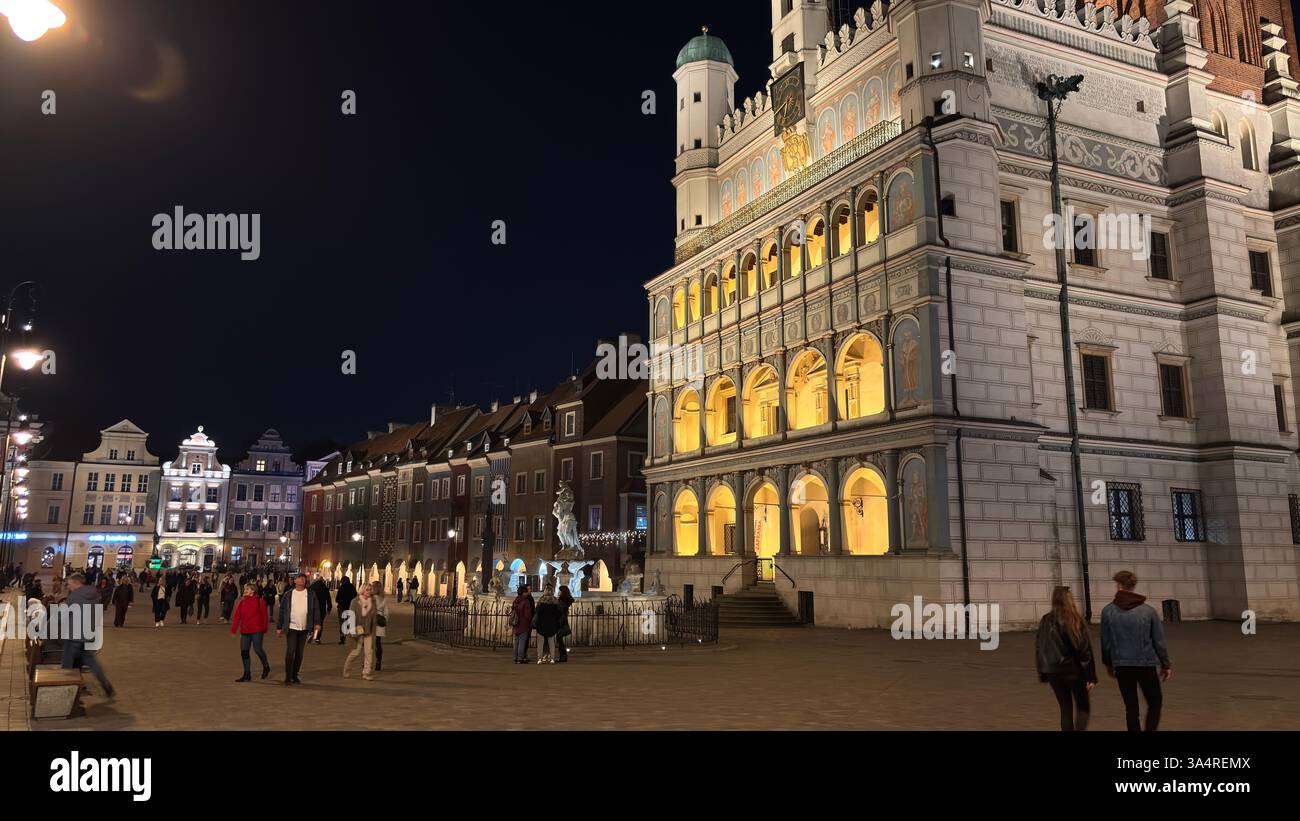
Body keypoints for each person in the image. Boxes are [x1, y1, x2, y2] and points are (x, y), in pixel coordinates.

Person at [1101, 570, 1173, 731]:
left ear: (1119, 586)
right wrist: (1165, 664)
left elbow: (1105, 642)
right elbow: (1158, 641)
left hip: (1121, 665)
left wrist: (1108, 664)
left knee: (1131, 707)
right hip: (1145, 664)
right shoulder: (1148, 611)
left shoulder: (1108, 611)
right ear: (1134, 586)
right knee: (1155, 701)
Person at [1035, 586, 1097, 731]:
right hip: (1073, 671)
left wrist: (1043, 671)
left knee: (1065, 708)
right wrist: (1090, 676)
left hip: (1054, 672)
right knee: (1083, 708)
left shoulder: (1045, 620)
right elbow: (1084, 651)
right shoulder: (1074, 619)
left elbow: (1040, 647)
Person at [61, 573, 114, 700]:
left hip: (74, 636)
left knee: (67, 665)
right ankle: (103, 683)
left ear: (76, 583)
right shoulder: (94, 594)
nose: (68, 587)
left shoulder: (75, 595)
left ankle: (66, 694)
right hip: (88, 635)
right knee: (90, 662)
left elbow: (63, 615)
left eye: (69, 584)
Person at [276, 573, 321, 685]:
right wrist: (279, 627)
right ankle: (288, 675)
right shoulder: (288, 594)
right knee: (291, 651)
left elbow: (316, 609)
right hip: (291, 627)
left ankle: (295, 675)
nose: (301, 580)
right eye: (299, 578)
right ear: (294, 581)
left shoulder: (311, 594)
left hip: (305, 627)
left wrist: (317, 623)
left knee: (300, 653)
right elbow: (282, 611)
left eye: (303, 579)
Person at [231, 583, 272, 682]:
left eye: (248, 589)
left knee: (258, 650)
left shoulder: (260, 601)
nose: (245, 590)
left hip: (257, 631)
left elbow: (264, 616)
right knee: (244, 652)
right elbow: (237, 616)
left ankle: (266, 666)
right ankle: (247, 674)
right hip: (245, 631)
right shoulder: (242, 602)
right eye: (245, 588)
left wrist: (264, 628)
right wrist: (234, 629)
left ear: (253, 591)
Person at [343, 583, 379, 681]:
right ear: (362, 590)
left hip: (369, 631)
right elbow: (351, 616)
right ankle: (347, 669)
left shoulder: (373, 601)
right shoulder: (355, 601)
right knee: (356, 652)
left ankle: (366, 673)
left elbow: (374, 617)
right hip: (357, 630)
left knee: (369, 652)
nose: (369, 591)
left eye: (370, 589)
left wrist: (374, 629)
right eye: (367, 589)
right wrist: (352, 630)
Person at [533, 584, 560, 664]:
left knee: (540, 643)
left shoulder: (541, 602)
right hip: (551, 625)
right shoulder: (555, 602)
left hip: (541, 625)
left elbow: (537, 613)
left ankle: (539, 659)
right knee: (551, 643)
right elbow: (558, 614)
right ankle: (552, 659)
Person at [510, 584, 535, 664]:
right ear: (523, 592)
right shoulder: (526, 601)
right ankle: (520, 658)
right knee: (522, 642)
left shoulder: (516, 600)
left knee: (516, 642)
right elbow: (528, 615)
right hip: (523, 624)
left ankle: (515, 657)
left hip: (516, 623)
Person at [309, 574, 333, 645]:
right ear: (322, 580)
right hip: (321, 609)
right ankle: (317, 638)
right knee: (319, 624)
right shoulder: (325, 588)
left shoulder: (312, 587)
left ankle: (311, 634)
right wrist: (329, 608)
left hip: (313, 608)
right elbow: (328, 599)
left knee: (312, 623)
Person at [371, 582, 389, 672]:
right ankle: (378, 661)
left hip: (370, 623)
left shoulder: (370, 598)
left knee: (369, 644)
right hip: (379, 623)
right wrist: (383, 620)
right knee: (378, 643)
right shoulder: (384, 599)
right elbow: (386, 614)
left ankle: (367, 662)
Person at [335, 575, 358, 644]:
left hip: (342, 608)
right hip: (350, 608)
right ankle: (350, 637)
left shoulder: (341, 587)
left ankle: (342, 637)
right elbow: (355, 597)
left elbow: (337, 599)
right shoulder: (352, 587)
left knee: (342, 623)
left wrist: (341, 602)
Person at [555, 586, 572, 662]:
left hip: (561, 622)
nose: (559, 593)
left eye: (560, 591)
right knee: (560, 640)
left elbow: (560, 611)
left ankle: (563, 656)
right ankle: (563, 656)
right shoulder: (565, 600)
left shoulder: (562, 601)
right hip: (563, 621)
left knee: (560, 640)